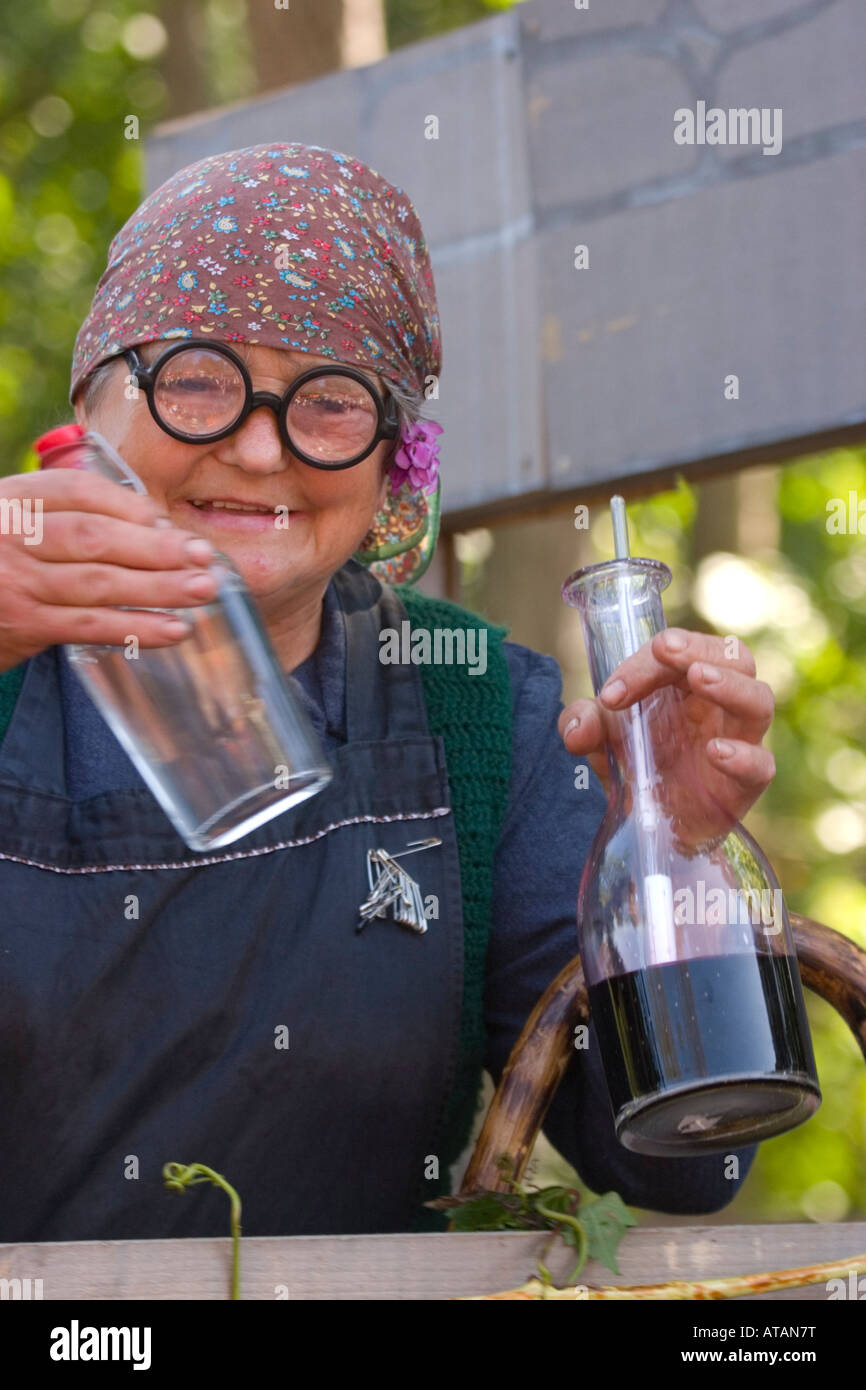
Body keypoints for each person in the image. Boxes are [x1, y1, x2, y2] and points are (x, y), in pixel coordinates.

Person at [0, 143, 776, 1242]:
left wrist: (672, 860)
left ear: (389, 466)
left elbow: (685, 1161)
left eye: (327, 399)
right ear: (94, 406)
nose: (261, 447)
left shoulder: (477, 717)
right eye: (197, 378)